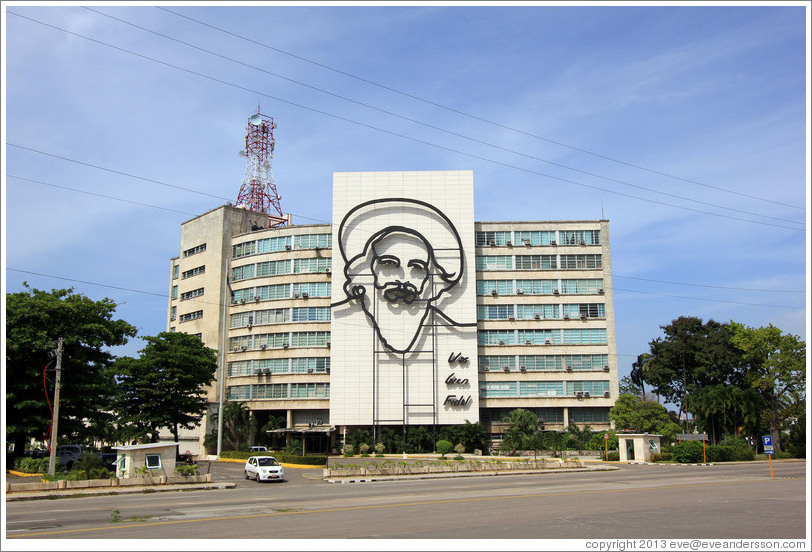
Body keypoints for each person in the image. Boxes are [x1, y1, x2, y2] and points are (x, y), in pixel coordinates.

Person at [333, 198, 474, 354]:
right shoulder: (338, 316)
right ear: (366, 269)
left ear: (431, 277)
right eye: (389, 264)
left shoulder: (456, 331)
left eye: (417, 268)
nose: (403, 280)